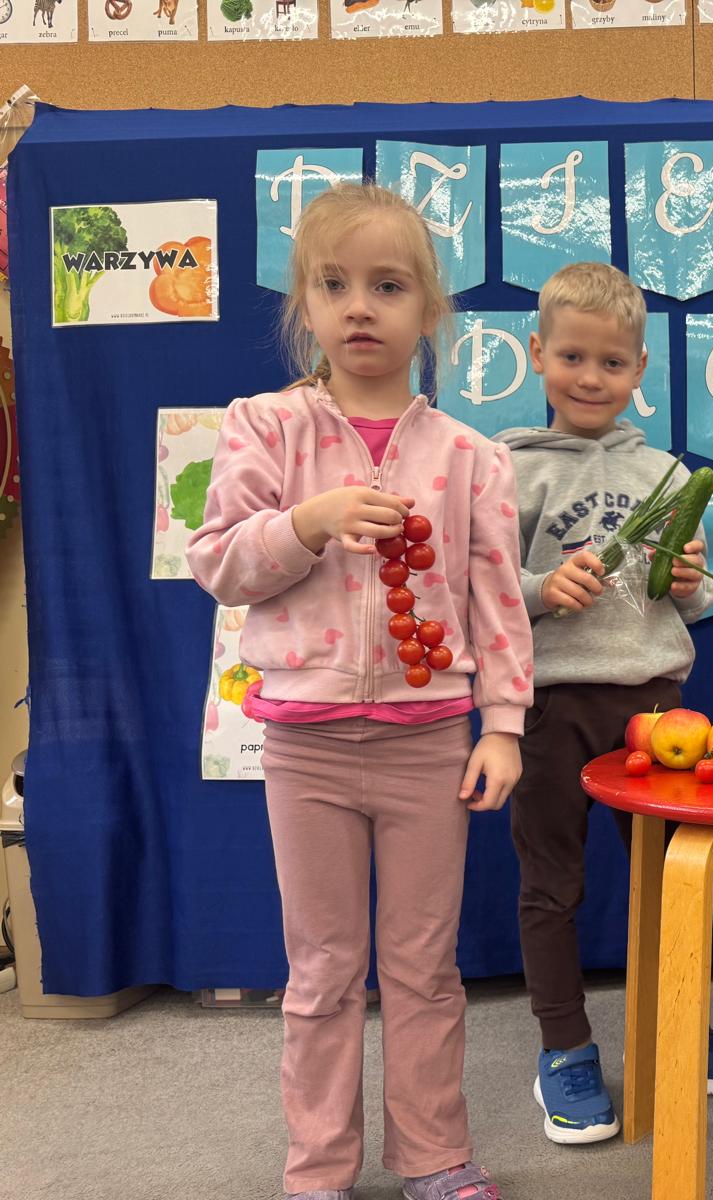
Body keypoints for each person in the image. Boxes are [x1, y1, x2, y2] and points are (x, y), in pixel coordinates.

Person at [187, 183, 533, 1200]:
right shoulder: (264, 429)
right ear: (304, 304)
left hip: (430, 743)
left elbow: (498, 602)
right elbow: (218, 564)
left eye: (387, 286)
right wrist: (306, 523)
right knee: (324, 968)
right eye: (334, 285)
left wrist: (503, 726)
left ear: (429, 310)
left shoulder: (470, 456)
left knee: (424, 965)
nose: (359, 308)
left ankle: (433, 1154)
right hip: (307, 745)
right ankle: (318, 1169)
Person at [497, 261, 713, 1146]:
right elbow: (482, 592)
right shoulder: (508, 470)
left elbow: (687, 598)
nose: (591, 377)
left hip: (654, 702)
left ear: (640, 368)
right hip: (550, 705)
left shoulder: (668, 473)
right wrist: (541, 590)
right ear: (537, 353)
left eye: (612, 362)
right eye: (572, 356)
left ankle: (677, 1018)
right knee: (552, 883)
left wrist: (689, 585)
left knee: (668, 881)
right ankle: (564, 1048)